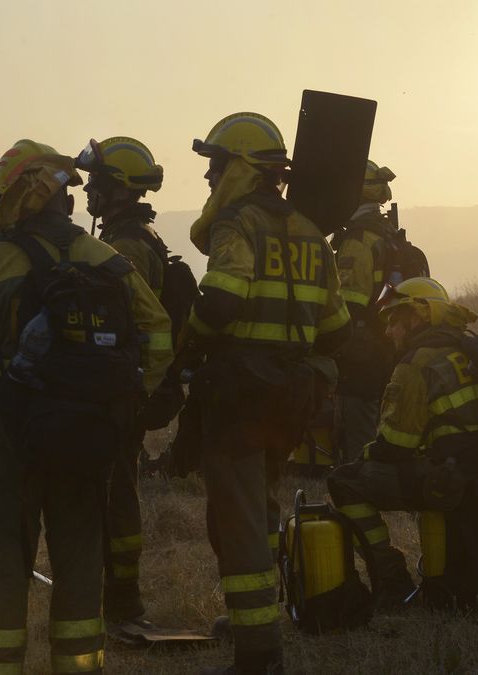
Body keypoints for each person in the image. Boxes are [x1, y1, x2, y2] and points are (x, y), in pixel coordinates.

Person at [0, 139, 173, 674]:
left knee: (6, 559)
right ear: (63, 202)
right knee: (79, 556)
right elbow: (159, 331)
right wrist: (127, 399)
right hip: (88, 426)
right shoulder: (107, 259)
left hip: (11, 426)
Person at [181, 112, 350, 675]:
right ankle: (259, 613)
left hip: (243, 393)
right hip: (294, 391)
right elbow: (337, 329)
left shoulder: (238, 226)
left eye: (215, 165)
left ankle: (259, 650)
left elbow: (221, 302)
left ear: (241, 169)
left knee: (239, 518)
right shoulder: (310, 231)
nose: (209, 178)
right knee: (263, 504)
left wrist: (188, 344)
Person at [328, 277, 478, 603]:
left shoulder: (416, 365)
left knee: (344, 481)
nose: (389, 331)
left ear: (418, 317)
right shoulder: (469, 350)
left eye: (394, 321)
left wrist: (364, 456)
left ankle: (390, 577)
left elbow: (396, 445)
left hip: (452, 480)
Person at [74, 135, 171, 635]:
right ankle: (118, 595)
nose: (88, 191)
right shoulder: (134, 238)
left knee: (116, 494)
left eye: (98, 182)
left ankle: (123, 599)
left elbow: (129, 323)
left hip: (118, 390)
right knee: (117, 490)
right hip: (122, 386)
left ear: (119, 189)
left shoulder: (127, 246)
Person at [330, 160, 405, 463]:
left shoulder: (358, 240)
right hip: (387, 342)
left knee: (357, 422)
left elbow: (349, 304)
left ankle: (358, 479)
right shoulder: (387, 232)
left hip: (361, 350)